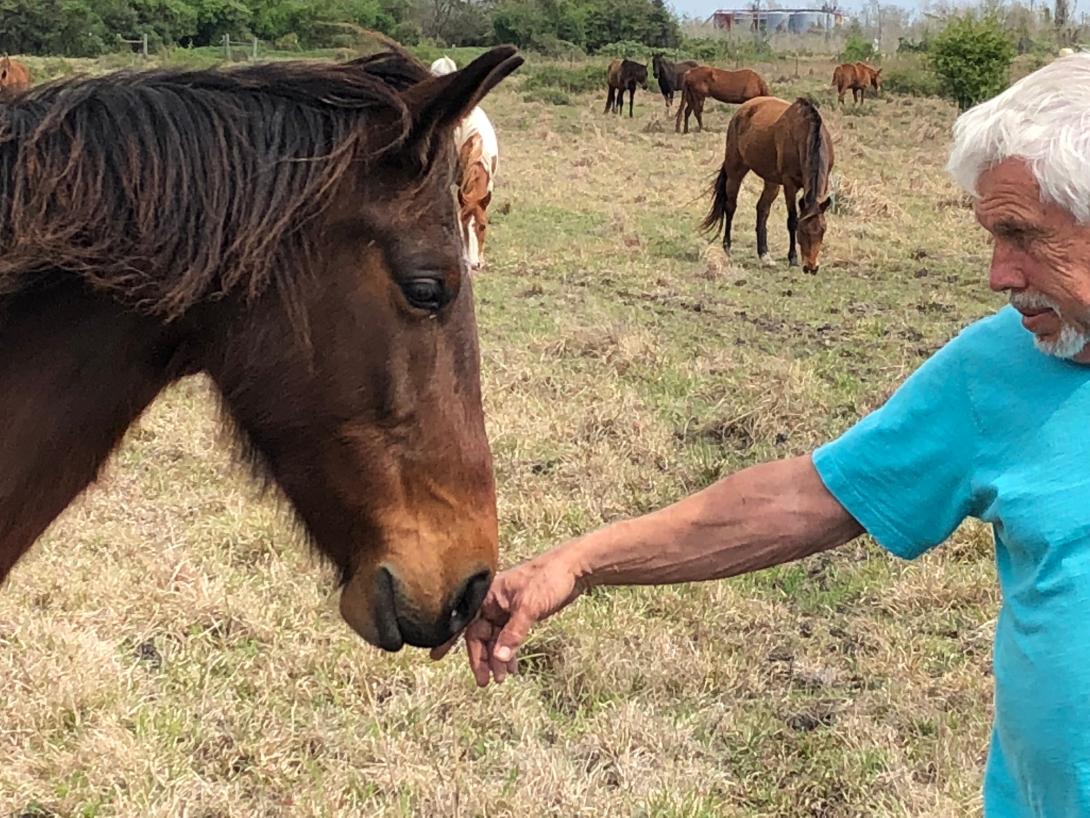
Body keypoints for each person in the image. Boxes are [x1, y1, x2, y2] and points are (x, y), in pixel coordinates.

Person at [433, 54, 1090, 817]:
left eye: (1023, 235)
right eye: (990, 236)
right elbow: (803, 499)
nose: (998, 276)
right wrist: (576, 563)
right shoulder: (997, 370)